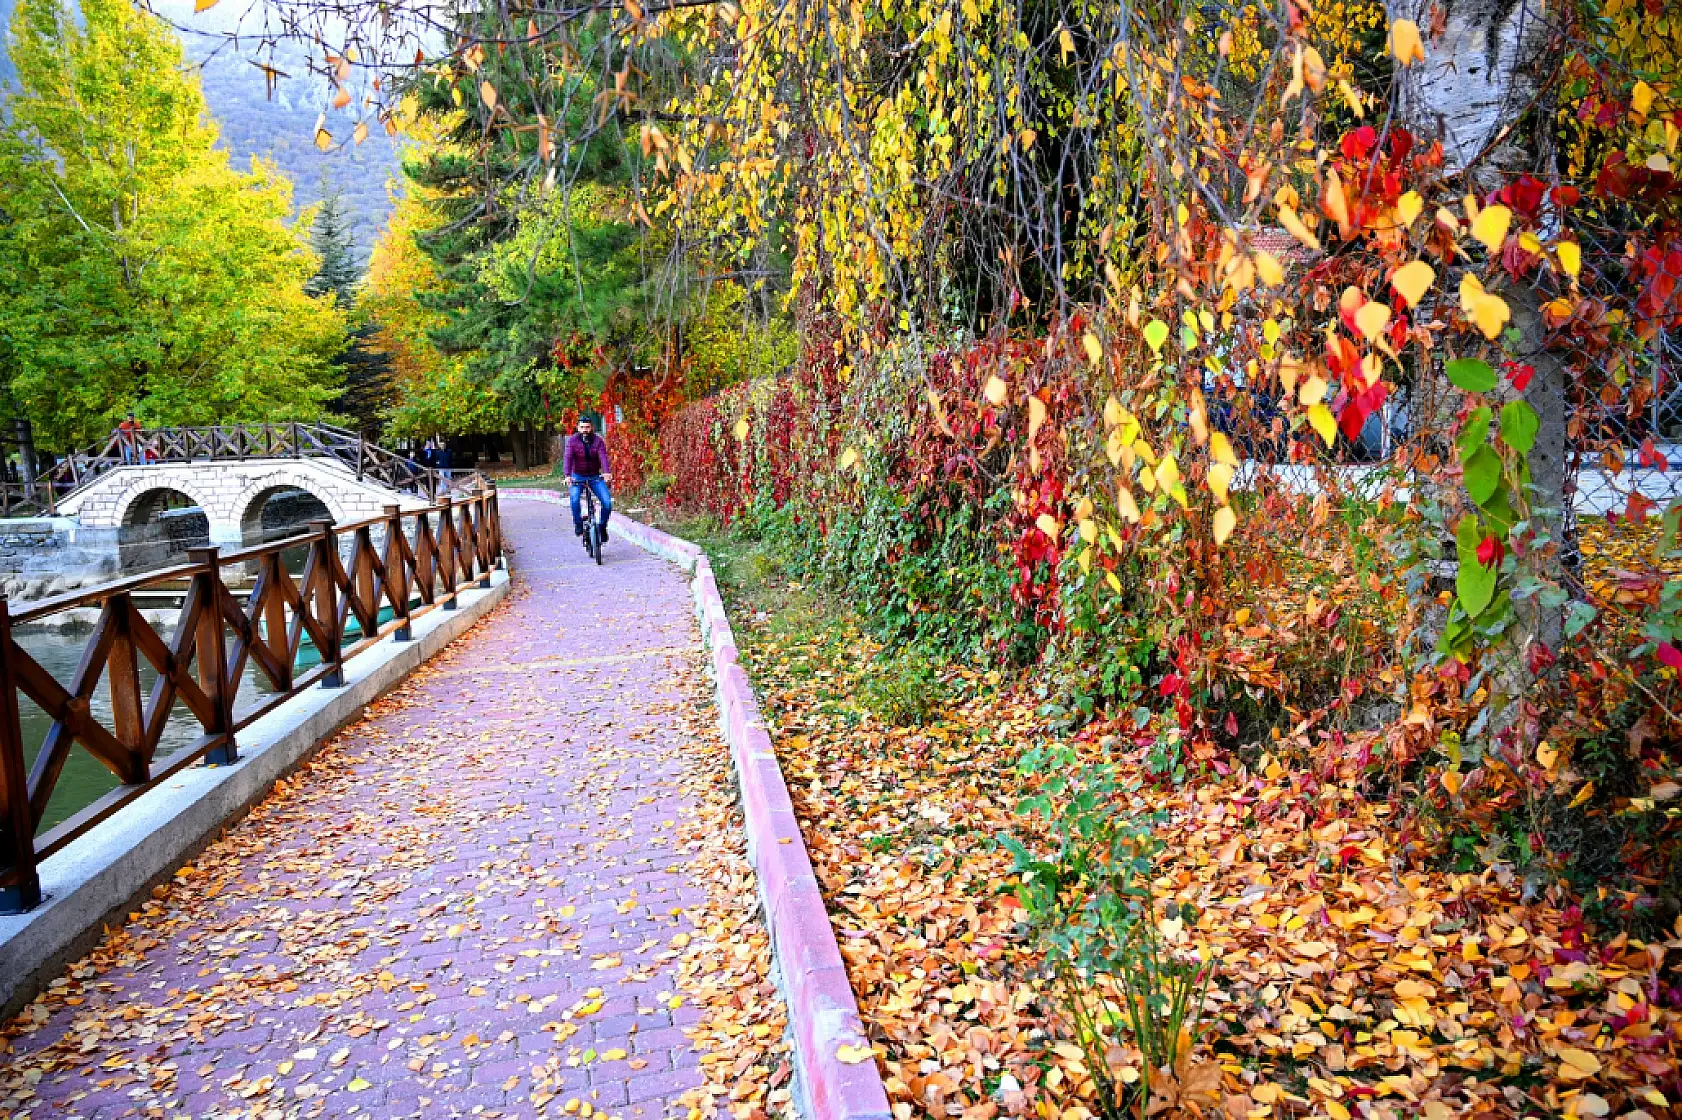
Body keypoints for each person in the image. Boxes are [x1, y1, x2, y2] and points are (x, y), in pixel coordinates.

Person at [564, 416, 613, 546]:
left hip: (594, 476)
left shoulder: (598, 441)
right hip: (577, 476)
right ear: (578, 428)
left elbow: (603, 457)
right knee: (574, 499)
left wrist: (607, 472)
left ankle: (602, 527)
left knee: (607, 503)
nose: (585, 430)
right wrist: (567, 475)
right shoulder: (572, 441)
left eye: (587, 427)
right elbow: (568, 458)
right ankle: (578, 524)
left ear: (592, 428)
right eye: (582, 427)